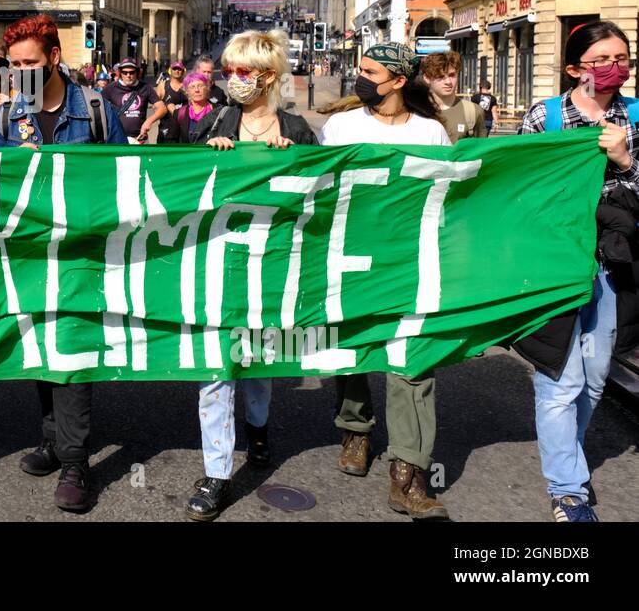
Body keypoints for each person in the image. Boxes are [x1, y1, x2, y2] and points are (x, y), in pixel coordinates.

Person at [0, 15, 126, 512]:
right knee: (41, 347)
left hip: (81, 255)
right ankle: (51, 438)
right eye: (14, 63)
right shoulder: (5, 120)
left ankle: (75, 460)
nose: (20, 70)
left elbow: (122, 180)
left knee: (72, 350)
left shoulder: (96, 111)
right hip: (28, 254)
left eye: (30, 62)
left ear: (53, 58)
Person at [184, 31, 316, 520]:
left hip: (273, 264)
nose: (233, 80)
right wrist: (206, 155)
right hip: (217, 263)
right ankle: (217, 472)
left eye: (244, 72)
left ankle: (258, 429)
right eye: (229, 71)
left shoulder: (298, 130)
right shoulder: (215, 122)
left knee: (259, 359)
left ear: (269, 76)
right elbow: (177, 189)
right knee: (215, 369)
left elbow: (323, 197)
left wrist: (296, 163)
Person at [318, 42, 451, 519]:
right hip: (349, 258)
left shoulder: (432, 132)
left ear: (397, 80)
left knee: (412, 360)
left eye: (369, 71)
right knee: (350, 346)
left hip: (411, 262)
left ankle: (409, 475)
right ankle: (356, 428)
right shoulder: (341, 127)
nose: (359, 78)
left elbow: (451, 194)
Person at [516, 20, 639, 522]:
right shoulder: (544, 117)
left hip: (612, 262)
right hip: (554, 266)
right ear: (573, 69)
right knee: (560, 382)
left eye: (623, 58)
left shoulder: (635, 116)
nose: (616, 68)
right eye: (602, 61)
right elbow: (516, 190)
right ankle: (568, 489)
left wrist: (625, 159)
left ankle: (570, 453)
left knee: (595, 378)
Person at [421, 51, 486, 143]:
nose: (448, 82)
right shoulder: (414, 111)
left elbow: (481, 150)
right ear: (427, 78)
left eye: (452, 75)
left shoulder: (473, 111)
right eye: (440, 76)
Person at [102, 58, 167, 143]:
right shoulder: (110, 88)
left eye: (132, 72)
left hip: (139, 139)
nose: (128, 75)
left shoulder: (145, 87)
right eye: (125, 73)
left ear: (137, 73)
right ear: (120, 73)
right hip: (117, 138)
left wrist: (149, 121)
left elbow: (162, 108)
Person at [161, 71, 217, 144]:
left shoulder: (218, 111)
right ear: (187, 91)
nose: (197, 90)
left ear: (207, 88)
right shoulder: (179, 113)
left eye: (200, 86)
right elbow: (170, 141)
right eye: (192, 87)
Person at [156, 61, 189, 142]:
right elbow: (155, 104)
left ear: (183, 71)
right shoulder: (163, 85)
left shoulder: (188, 85)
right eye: (174, 69)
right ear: (170, 71)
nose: (177, 71)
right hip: (166, 128)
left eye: (179, 69)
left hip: (184, 128)